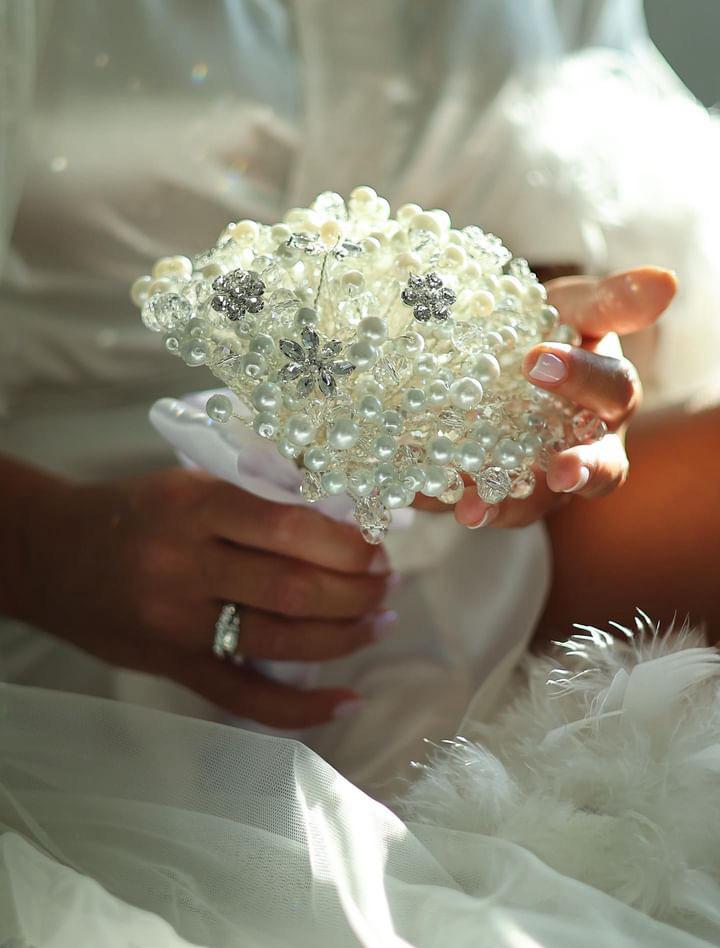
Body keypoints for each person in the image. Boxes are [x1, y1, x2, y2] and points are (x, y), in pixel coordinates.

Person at [0, 0, 718, 799]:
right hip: (85, 582)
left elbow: (593, 227)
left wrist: (562, 347)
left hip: (491, 544)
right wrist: (45, 551)